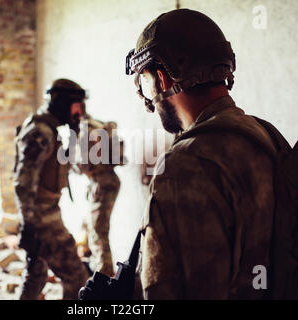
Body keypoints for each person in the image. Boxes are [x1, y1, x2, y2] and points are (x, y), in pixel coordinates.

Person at [125, 9, 277, 299]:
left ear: (162, 79)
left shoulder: (184, 166)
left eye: (144, 83)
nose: (146, 98)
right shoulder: (263, 135)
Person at [13, 78, 89, 300]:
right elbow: (23, 183)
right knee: (77, 277)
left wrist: (74, 135)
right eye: (77, 105)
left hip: (43, 214)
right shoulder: (41, 132)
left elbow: (73, 166)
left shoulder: (50, 129)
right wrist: (29, 226)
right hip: (43, 219)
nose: (80, 111)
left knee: (36, 274)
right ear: (65, 103)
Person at [75, 114, 123, 277]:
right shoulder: (97, 125)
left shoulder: (85, 130)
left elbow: (82, 166)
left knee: (98, 232)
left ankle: (104, 275)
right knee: (93, 228)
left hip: (101, 183)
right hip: (107, 180)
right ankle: (101, 270)